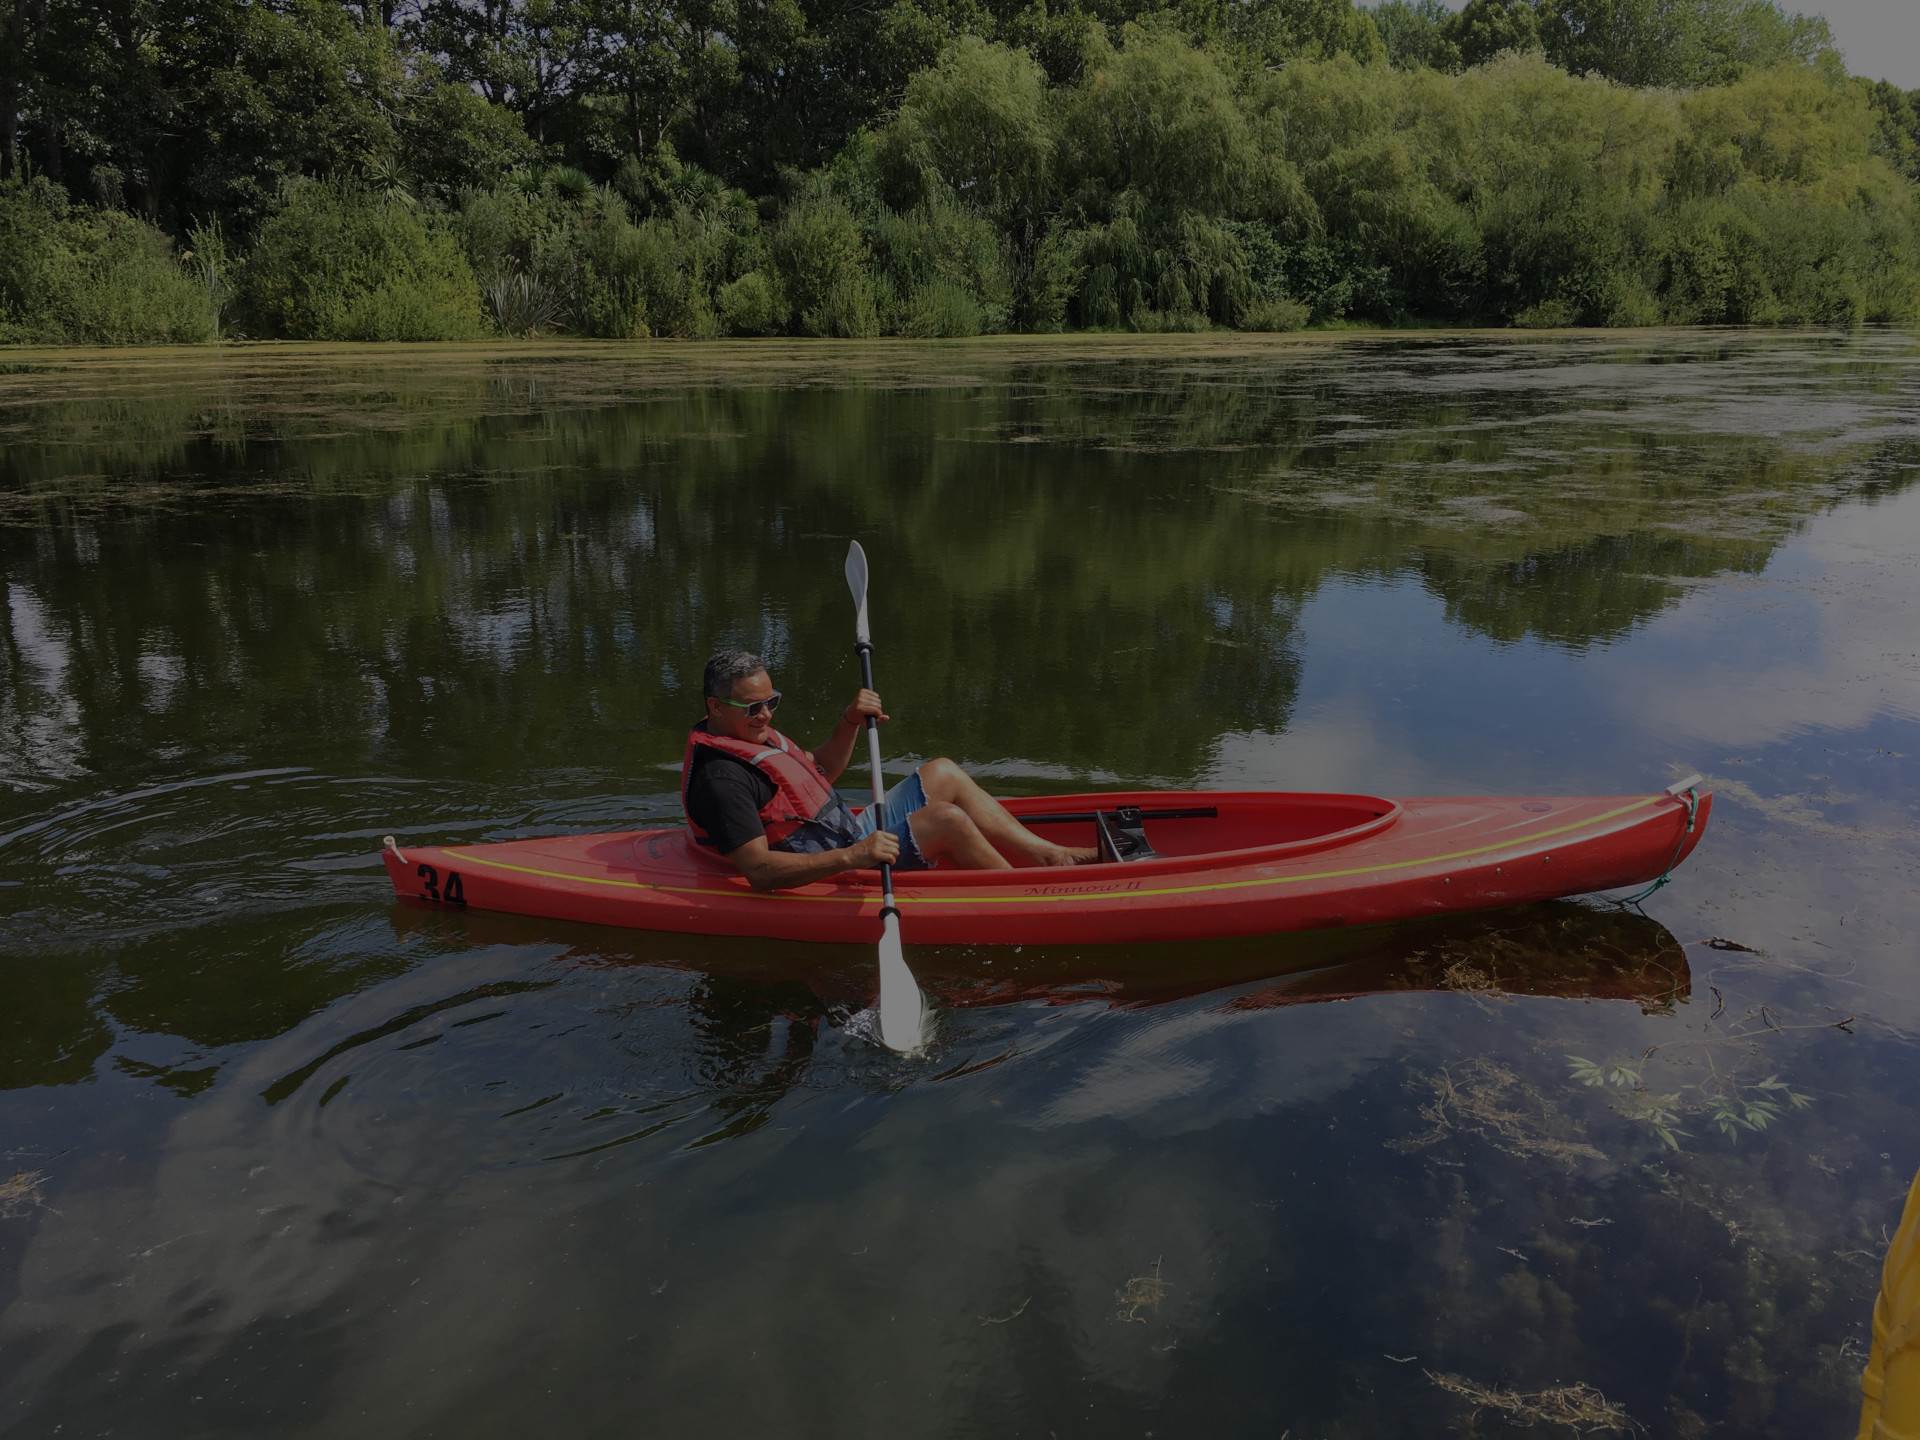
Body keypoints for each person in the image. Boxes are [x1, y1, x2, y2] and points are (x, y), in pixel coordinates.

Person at [682, 650, 1094, 890]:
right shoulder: (722, 779)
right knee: (945, 821)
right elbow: (759, 871)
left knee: (944, 772)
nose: (766, 714)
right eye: (753, 707)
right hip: (835, 868)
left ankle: (1051, 856)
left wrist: (849, 723)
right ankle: (1020, 897)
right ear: (715, 707)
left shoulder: (752, 735)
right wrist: (854, 855)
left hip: (845, 839)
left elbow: (820, 770)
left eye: (772, 701)